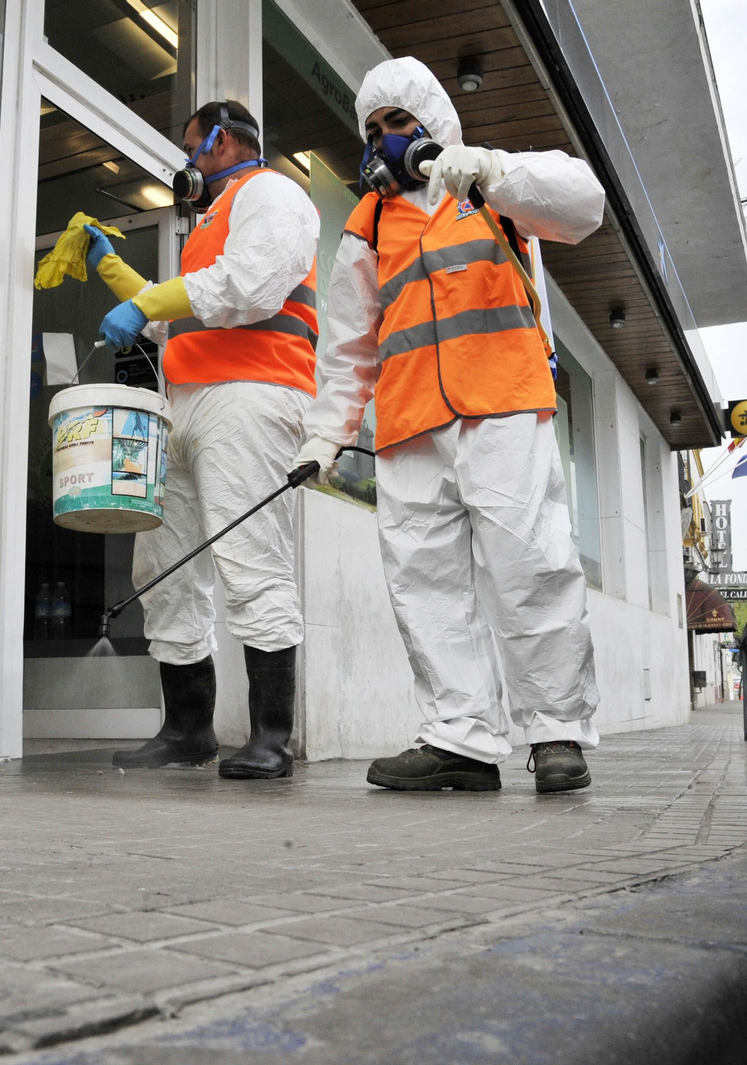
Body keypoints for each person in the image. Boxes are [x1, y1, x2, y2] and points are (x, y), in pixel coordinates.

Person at [294, 57, 606, 793]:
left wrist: (493, 169)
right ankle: (460, 738)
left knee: (530, 567)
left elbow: (584, 203)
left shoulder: (491, 189)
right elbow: (348, 347)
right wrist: (326, 434)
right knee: (424, 586)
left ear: (433, 120)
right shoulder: (368, 223)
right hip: (409, 428)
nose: (384, 140)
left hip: (501, 405)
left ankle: (555, 731)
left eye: (397, 122)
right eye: (372, 129)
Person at [84, 100, 319, 780]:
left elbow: (249, 285)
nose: (187, 162)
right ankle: (188, 728)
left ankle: (271, 735)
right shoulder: (207, 225)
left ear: (222, 140)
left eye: (192, 147)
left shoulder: (273, 193)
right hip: (187, 402)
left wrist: (149, 301)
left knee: (251, 560)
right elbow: (181, 317)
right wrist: (115, 275)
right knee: (161, 566)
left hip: (252, 396)